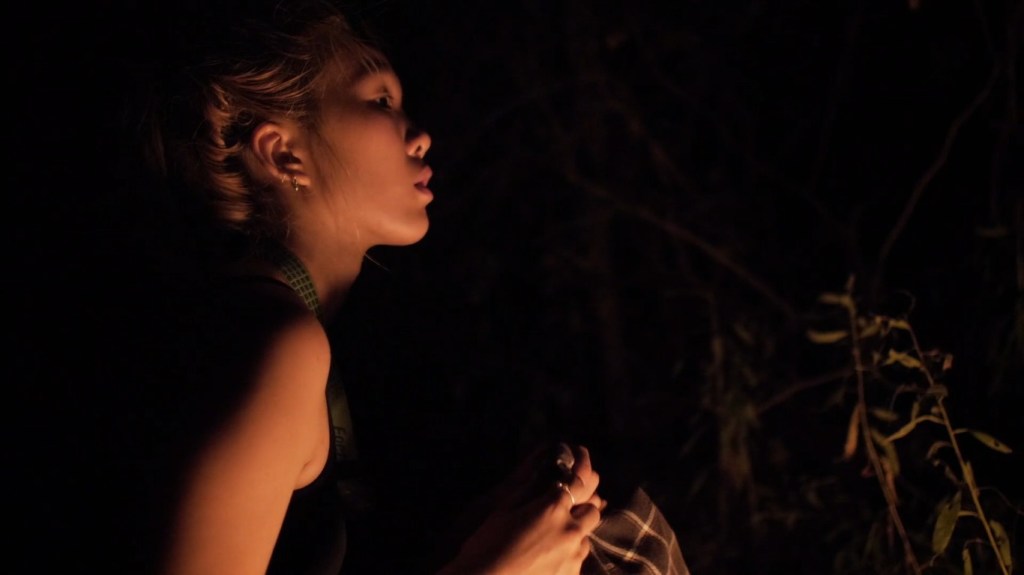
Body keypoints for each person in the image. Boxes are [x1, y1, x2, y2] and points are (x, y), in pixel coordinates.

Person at [105, 1, 608, 573]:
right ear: (283, 152)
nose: (420, 136)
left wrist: (477, 541)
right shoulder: (274, 344)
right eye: (380, 102)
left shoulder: (254, 327)